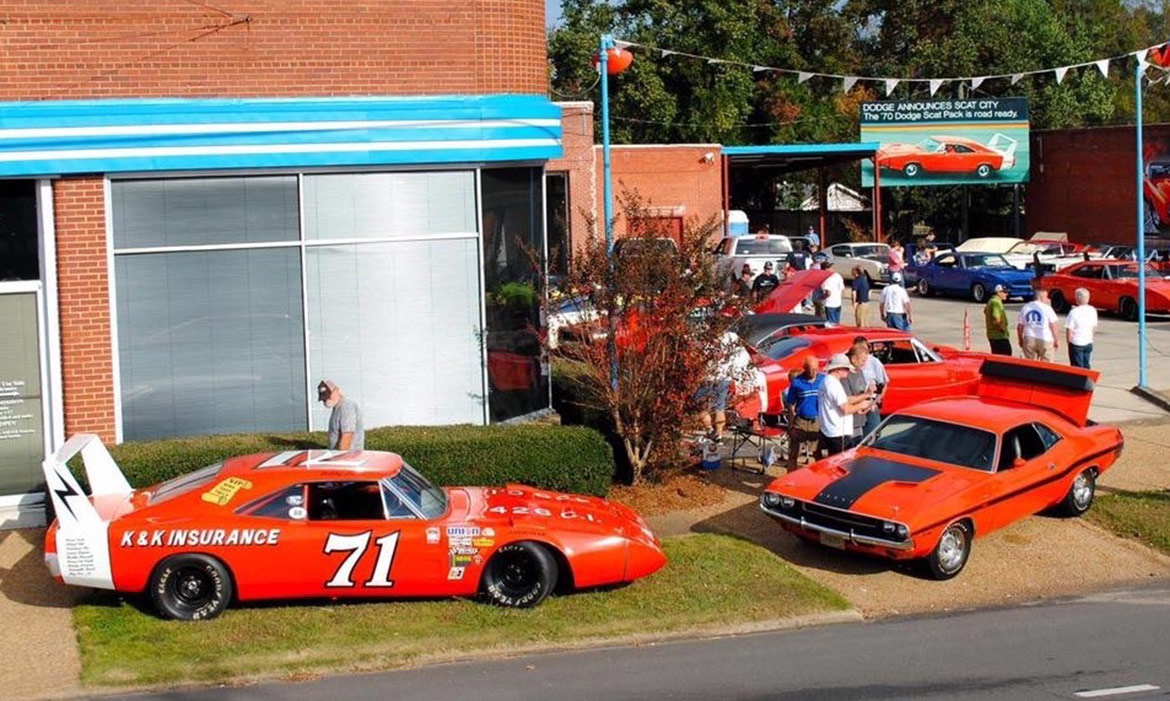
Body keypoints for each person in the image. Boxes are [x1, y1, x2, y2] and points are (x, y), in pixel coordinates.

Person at [697, 332, 751, 442]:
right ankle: (719, 434)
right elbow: (744, 356)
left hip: (709, 377)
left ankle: (710, 430)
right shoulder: (731, 336)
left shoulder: (706, 337)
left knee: (700, 405)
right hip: (724, 378)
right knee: (719, 407)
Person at [817, 353, 873, 457]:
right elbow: (845, 409)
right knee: (842, 462)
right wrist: (861, 405)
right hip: (839, 434)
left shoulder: (826, 381)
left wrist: (865, 396)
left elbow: (844, 400)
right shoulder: (834, 385)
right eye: (846, 369)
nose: (848, 371)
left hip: (830, 431)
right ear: (838, 369)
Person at [784, 358, 823, 471]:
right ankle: (790, 478)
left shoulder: (823, 380)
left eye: (816, 369)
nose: (814, 372)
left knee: (817, 452)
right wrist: (791, 426)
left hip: (816, 420)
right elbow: (790, 405)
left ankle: (820, 479)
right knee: (794, 452)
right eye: (811, 369)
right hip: (801, 420)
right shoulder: (797, 382)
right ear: (805, 369)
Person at [850, 337, 888, 437]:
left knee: (872, 435)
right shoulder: (850, 363)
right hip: (855, 406)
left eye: (864, 349)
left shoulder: (874, 363)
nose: (863, 352)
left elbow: (882, 385)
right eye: (859, 349)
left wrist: (873, 403)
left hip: (871, 405)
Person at [318, 380, 364, 451]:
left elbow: (347, 436)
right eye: (323, 397)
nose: (325, 399)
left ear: (336, 391)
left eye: (328, 395)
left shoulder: (346, 406)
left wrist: (340, 458)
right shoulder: (336, 407)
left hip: (348, 458)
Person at [1017, 289, 1060, 362]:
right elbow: (1053, 325)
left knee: (1030, 363)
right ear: (1041, 297)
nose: (1047, 299)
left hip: (1029, 337)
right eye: (1046, 297)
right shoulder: (1047, 308)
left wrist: (1020, 339)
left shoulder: (1026, 307)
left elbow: (1020, 326)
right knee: (1047, 363)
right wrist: (1056, 339)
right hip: (1045, 338)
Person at [843, 347, 872, 448]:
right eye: (862, 360)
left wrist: (869, 401)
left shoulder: (859, 371)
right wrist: (866, 395)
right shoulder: (845, 375)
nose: (864, 363)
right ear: (853, 359)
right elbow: (847, 399)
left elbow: (862, 391)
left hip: (860, 420)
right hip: (849, 423)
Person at [1065, 287, 1098, 369]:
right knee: (1086, 364)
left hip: (1076, 342)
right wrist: (1090, 337)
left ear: (1077, 299)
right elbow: (1094, 327)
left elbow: (1069, 329)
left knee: (1077, 367)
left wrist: (1069, 343)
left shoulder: (1074, 312)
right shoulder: (1092, 310)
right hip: (1088, 341)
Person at [984, 284, 1012, 356]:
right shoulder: (996, 302)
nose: (1006, 294)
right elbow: (996, 319)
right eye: (1004, 292)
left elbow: (985, 311)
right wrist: (1002, 329)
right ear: (998, 293)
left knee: (996, 355)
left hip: (992, 335)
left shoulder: (991, 301)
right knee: (1006, 355)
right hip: (999, 336)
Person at [820, 260, 845, 326]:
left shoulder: (825, 279)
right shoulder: (837, 275)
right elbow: (842, 289)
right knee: (837, 322)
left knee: (831, 324)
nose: (832, 268)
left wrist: (822, 297)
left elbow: (828, 293)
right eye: (830, 267)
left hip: (830, 303)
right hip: (838, 303)